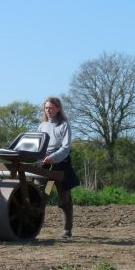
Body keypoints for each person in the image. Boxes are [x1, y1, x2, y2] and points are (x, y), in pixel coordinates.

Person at [37, 96, 80, 238]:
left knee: (64, 197)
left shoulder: (64, 125)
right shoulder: (42, 126)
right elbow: (37, 145)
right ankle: (35, 228)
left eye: (51, 108)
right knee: (43, 195)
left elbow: (66, 148)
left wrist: (52, 158)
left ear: (58, 108)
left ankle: (67, 230)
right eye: (46, 108)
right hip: (46, 169)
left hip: (60, 168)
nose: (48, 110)